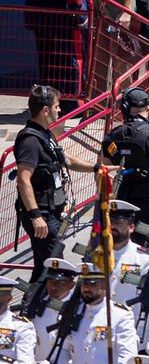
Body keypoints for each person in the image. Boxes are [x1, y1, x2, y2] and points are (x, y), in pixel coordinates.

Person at [12, 85, 81, 280]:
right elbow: (23, 179)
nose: (59, 110)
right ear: (45, 110)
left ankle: (29, 308)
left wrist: (96, 168)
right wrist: (35, 216)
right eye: (57, 106)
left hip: (50, 212)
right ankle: (33, 306)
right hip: (41, 215)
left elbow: (67, 160)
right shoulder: (30, 141)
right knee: (55, 269)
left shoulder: (45, 135)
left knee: (45, 269)